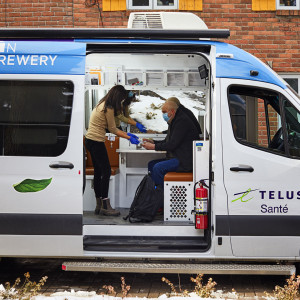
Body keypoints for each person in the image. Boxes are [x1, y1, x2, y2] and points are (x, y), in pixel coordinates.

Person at [85, 85, 140, 216]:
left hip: (90, 140)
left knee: (99, 172)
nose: (121, 102)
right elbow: (113, 129)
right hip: (96, 141)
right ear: (117, 97)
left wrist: (128, 135)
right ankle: (105, 205)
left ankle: (99, 205)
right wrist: (129, 137)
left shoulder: (101, 104)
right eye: (121, 99)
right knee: (106, 171)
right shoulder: (108, 107)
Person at [142, 98, 200, 187]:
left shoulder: (181, 121)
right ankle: (154, 192)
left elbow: (172, 144)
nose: (163, 115)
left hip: (184, 161)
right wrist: (153, 142)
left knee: (158, 168)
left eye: (164, 112)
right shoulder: (173, 120)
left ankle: (161, 196)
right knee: (151, 164)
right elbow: (167, 141)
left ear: (172, 111)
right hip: (177, 157)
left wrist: (154, 147)